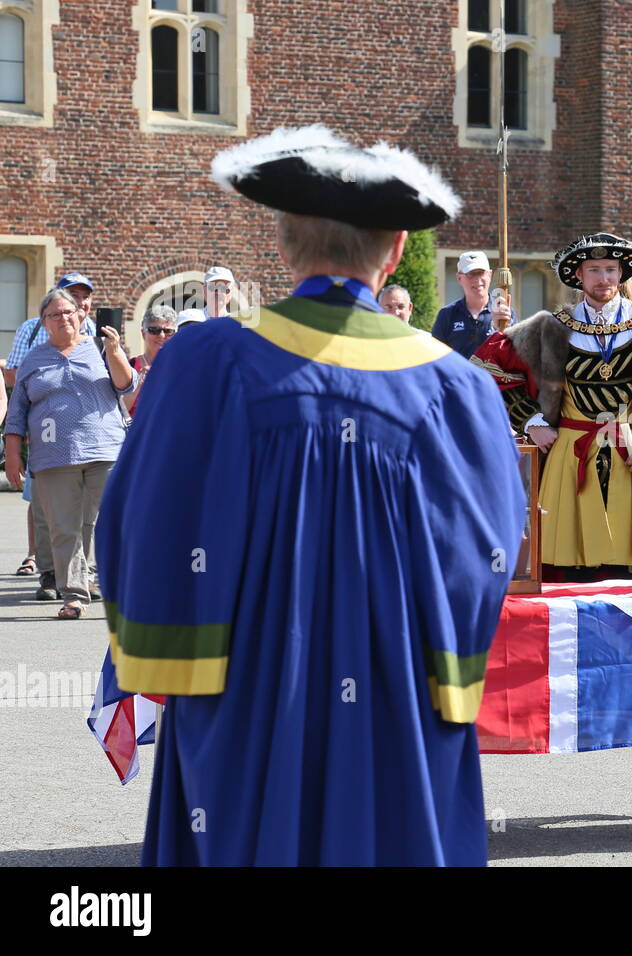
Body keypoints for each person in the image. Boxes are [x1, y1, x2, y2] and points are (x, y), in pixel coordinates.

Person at [95, 125, 524, 866]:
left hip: (244, 696)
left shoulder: (206, 363)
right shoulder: (456, 388)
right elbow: (483, 555)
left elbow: (138, 521)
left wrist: (173, 653)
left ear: (285, 244)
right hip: (396, 703)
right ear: (394, 250)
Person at [473, 232, 632, 581]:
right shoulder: (549, 327)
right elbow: (487, 372)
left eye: (611, 269)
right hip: (569, 455)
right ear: (578, 275)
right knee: (567, 568)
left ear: (622, 274)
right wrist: (530, 421)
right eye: (594, 270)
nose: (604, 279)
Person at [5, 288, 136, 619]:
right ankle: (74, 594)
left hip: (105, 450)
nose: (63, 318)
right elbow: (18, 409)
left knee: (113, 520)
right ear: (44, 322)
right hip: (53, 457)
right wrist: (13, 452)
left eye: (69, 312)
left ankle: (122, 586)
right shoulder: (34, 359)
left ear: (81, 316)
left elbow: (127, 386)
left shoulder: (101, 348)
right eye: (54, 314)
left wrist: (116, 351)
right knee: (64, 527)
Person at [5, 272, 97, 593]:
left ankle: (80, 573)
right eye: (72, 295)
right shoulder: (32, 331)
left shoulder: (99, 336)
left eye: (84, 296)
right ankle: (47, 570)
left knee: (85, 512)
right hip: (44, 437)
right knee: (45, 509)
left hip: (87, 442)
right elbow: (15, 378)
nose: (79, 301)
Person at [432, 251, 513, 357]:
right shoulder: (447, 314)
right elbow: (435, 356)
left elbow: (514, 356)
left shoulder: (504, 313)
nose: (477, 280)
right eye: (470, 274)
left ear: (490, 275)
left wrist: (501, 329)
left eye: (481, 273)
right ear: (459, 278)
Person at [123, 305, 178, 416]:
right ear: (143, 334)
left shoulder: (183, 367)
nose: (162, 335)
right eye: (154, 330)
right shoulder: (129, 366)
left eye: (168, 331)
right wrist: (137, 385)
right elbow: (119, 410)